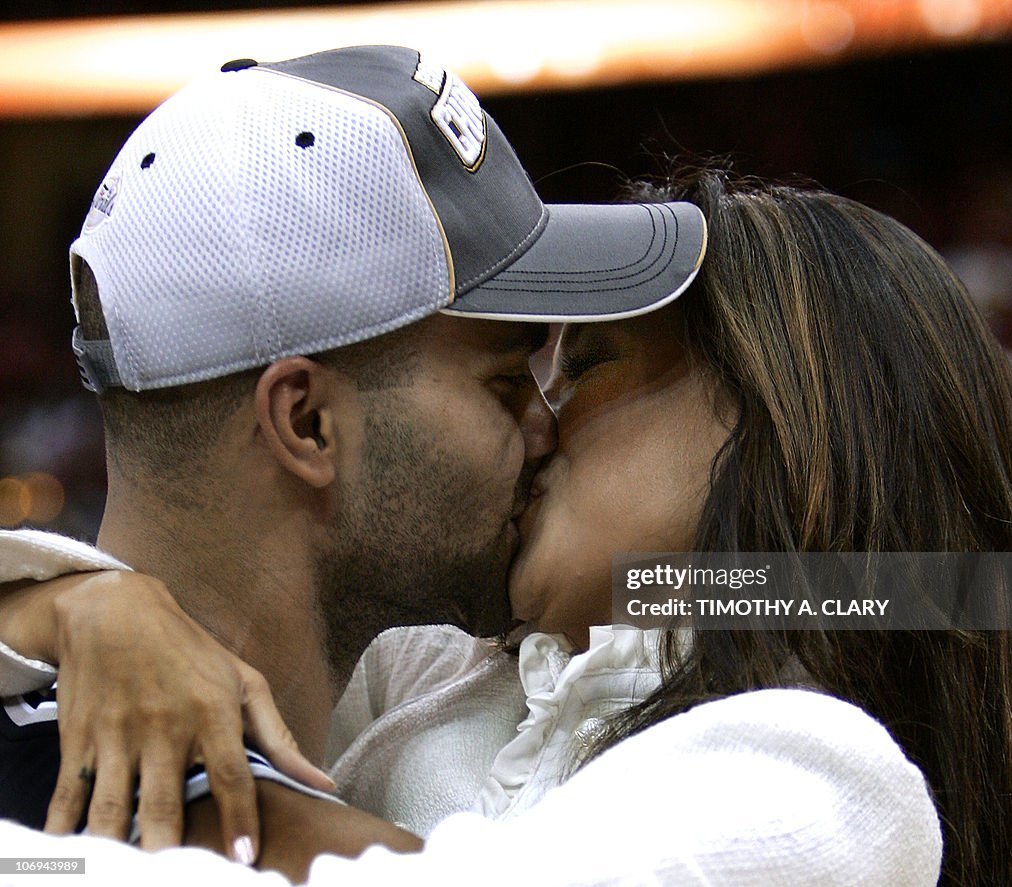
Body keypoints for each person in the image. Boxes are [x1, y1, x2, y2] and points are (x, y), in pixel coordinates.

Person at [10, 167, 1012, 884]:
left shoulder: (827, 780)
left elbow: (927, 584)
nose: (534, 422)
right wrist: (80, 599)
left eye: (584, 369)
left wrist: (193, 804)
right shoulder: (462, 659)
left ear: (781, 424)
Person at [0, 43, 711, 881]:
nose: (544, 426)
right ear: (307, 423)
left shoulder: (386, 683)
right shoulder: (125, 847)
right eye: (506, 379)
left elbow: (884, 590)